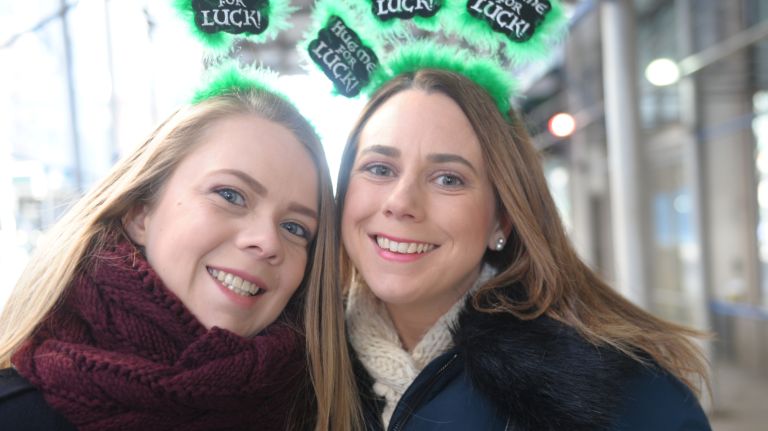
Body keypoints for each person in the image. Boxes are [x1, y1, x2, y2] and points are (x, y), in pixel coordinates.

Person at [337, 69, 712, 430]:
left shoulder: (624, 398)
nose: (401, 203)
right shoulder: (297, 366)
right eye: (380, 169)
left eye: (449, 178)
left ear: (502, 219)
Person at [0, 87, 361, 431]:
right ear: (140, 212)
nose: (268, 242)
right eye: (230, 195)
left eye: (295, 228)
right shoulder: (16, 413)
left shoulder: (324, 411)